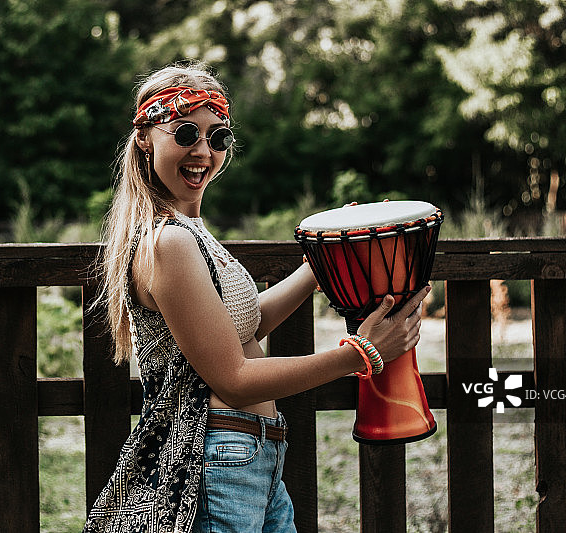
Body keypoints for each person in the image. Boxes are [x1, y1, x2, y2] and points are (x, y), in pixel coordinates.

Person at [83, 61, 429, 533]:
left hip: (253, 456)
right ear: (146, 137)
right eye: (186, 133)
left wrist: (320, 263)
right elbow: (235, 380)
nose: (203, 151)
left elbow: (242, 327)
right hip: (217, 460)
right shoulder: (169, 242)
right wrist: (361, 354)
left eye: (217, 137)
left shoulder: (189, 233)